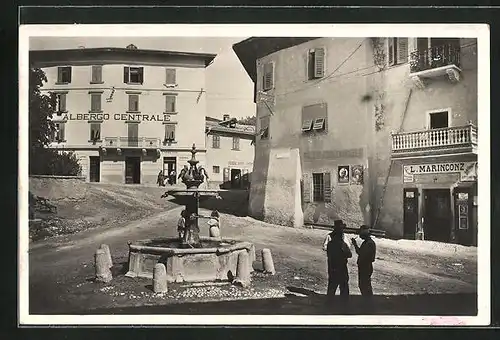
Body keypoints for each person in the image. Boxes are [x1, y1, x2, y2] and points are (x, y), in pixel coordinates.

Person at [322, 219, 352, 297]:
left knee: (332, 284)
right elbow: (349, 254)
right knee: (343, 284)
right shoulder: (342, 243)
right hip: (341, 266)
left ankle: (330, 302)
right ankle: (343, 303)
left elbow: (327, 249)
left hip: (332, 265)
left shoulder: (331, 243)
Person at [351, 225, 376, 297]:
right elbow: (360, 252)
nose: (360, 235)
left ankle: (368, 303)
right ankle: (367, 302)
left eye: (361, 233)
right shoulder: (366, 242)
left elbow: (362, 254)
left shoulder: (369, 243)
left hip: (366, 267)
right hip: (364, 267)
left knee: (365, 286)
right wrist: (355, 244)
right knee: (363, 285)